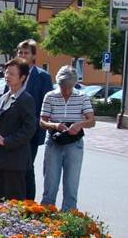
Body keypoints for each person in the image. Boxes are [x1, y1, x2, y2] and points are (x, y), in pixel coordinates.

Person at [40, 66, 95, 211]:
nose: (66, 90)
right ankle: (45, 216)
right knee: (50, 184)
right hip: (54, 141)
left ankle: (68, 218)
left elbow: (92, 121)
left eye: (69, 87)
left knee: (71, 185)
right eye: (63, 87)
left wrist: (79, 124)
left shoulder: (82, 97)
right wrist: (55, 125)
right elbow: (42, 121)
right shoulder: (50, 96)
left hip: (74, 143)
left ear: (74, 84)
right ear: (58, 84)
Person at [0, 58, 37, 201]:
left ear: (22, 77)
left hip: (15, 159)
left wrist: (6, 141)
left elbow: (29, 129)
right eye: (6, 73)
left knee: (13, 203)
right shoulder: (4, 96)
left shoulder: (26, 99)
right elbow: (2, 124)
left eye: (12, 74)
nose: (7, 76)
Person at [15, 39, 53, 200]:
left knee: (27, 165)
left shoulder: (42, 77)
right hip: (13, 128)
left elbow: (46, 103)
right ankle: (15, 198)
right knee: (14, 166)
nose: (22, 55)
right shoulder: (13, 72)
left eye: (26, 53)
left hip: (32, 129)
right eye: (20, 52)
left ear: (33, 55)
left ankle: (29, 201)